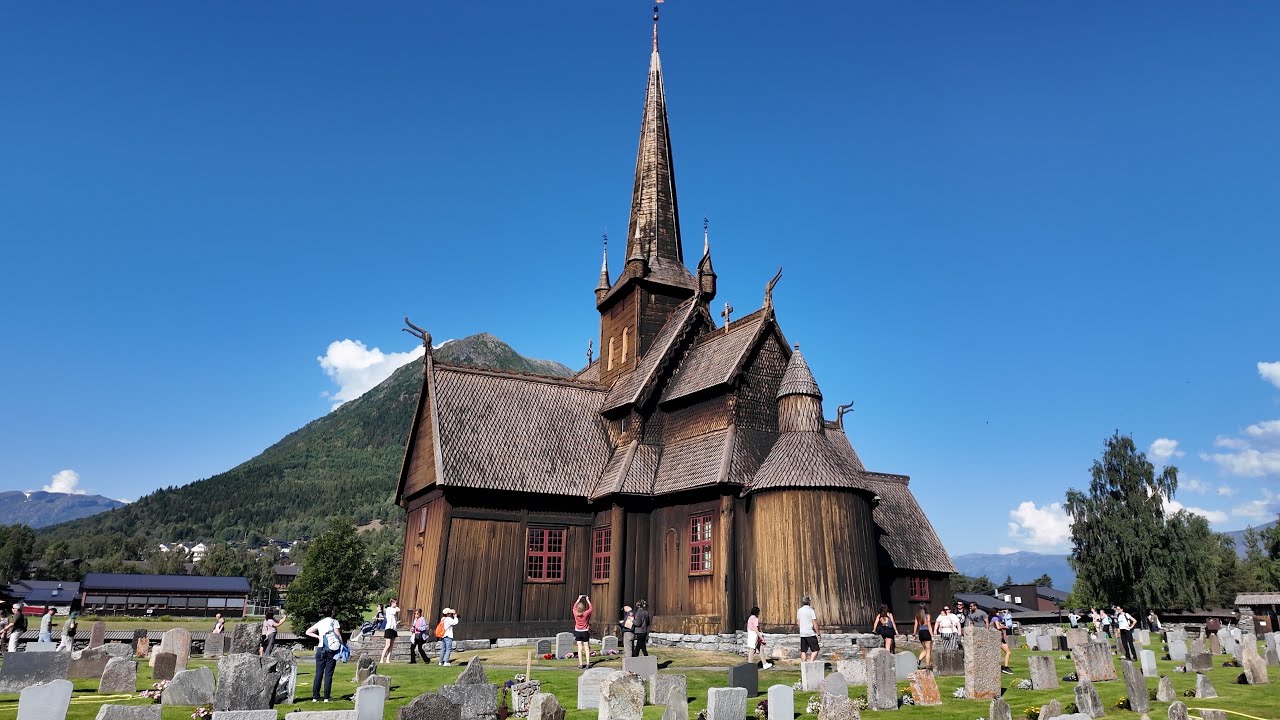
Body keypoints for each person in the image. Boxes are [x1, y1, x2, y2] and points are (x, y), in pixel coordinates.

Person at [305, 607, 342, 702]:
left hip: (320, 648)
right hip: (330, 649)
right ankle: (326, 697)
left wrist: (318, 637)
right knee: (328, 674)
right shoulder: (334, 622)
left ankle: (315, 697)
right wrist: (342, 645)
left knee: (318, 673)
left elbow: (308, 632)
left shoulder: (320, 622)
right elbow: (338, 634)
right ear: (331, 613)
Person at [572, 595, 593, 669]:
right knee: (586, 648)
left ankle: (580, 664)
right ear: (584, 609)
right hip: (585, 632)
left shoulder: (575, 613)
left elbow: (574, 607)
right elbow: (591, 608)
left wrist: (578, 599)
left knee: (579, 648)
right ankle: (587, 664)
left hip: (578, 631)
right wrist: (588, 600)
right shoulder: (586, 614)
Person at [796, 596, 820, 662]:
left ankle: (803, 664)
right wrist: (818, 633)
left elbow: (798, 622)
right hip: (810, 633)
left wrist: (802, 629)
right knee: (815, 650)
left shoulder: (799, 610)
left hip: (802, 633)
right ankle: (811, 662)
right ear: (809, 601)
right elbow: (814, 623)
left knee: (803, 650)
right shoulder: (810, 610)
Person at [380, 598, 400, 664]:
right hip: (389, 628)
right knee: (387, 645)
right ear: (392, 603)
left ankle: (388, 659)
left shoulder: (394, 611)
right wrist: (394, 604)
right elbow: (397, 609)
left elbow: (398, 610)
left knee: (391, 645)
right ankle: (382, 659)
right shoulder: (389, 609)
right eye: (395, 603)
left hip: (394, 629)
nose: (396, 604)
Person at [913, 604, 933, 668]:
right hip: (926, 632)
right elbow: (929, 626)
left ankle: (919, 660)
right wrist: (932, 635)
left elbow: (916, 625)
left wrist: (914, 633)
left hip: (921, 632)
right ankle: (927, 665)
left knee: (925, 649)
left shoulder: (917, 616)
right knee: (928, 650)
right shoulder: (927, 616)